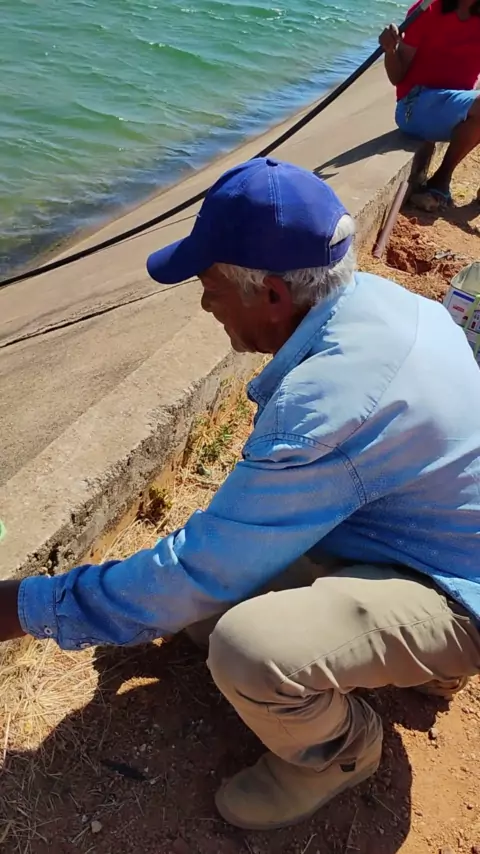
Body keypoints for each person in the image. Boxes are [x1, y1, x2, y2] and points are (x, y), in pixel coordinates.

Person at [1, 157, 480, 832]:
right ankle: (415, 660)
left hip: (458, 587)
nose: (205, 304)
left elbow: (196, 572)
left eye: (211, 287)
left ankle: (341, 752)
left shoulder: (327, 403)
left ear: (273, 295)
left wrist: (24, 606)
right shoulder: (380, 303)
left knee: (247, 648)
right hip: (413, 531)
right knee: (203, 617)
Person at [380, 0, 480, 211]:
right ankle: (439, 182)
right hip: (413, 105)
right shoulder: (427, 9)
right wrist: (390, 50)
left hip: (456, 109)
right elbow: (397, 77)